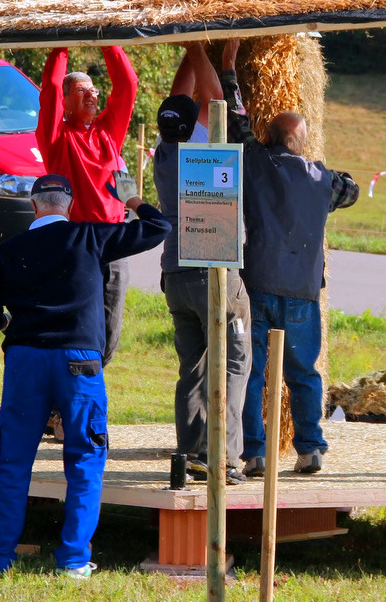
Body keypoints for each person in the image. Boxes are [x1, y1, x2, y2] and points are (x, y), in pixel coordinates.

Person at [0, 173, 169, 577]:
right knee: (84, 459)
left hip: (26, 359)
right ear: (70, 206)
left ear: (33, 206)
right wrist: (131, 198)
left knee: (12, 461)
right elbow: (158, 227)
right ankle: (74, 560)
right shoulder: (91, 237)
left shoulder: (9, 250)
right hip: (80, 361)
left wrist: (8, 323)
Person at [219, 40, 359, 476]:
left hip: (259, 282)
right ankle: (310, 449)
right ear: (301, 142)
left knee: (252, 371)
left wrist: (228, 66)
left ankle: (255, 453)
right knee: (303, 374)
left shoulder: (256, 162)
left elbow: (236, 117)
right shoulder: (323, 179)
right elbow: (352, 190)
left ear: (268, 137)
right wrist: (318, 172)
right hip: (302, 290)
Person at [153, 43, 251, 484]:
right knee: (234, 362)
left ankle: (190, 452)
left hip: (174, 274)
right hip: (211, 270)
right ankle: (222, 457)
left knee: (191, 368)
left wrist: (192, 51)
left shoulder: (164, 149)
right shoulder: (200, 147)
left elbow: (178, 100)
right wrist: (200, 47)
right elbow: (215, 100)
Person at [36, 45, 139, 367]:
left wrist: (108, 42)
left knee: (111, 323)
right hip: (77, 241)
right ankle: (71, 382)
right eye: (81, 91)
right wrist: (61, 45)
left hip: (113, 239)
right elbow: (50, 89)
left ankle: (94, 377)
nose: (91, 95)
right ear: (65, 101)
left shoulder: (108, 133)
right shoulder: (56, 138)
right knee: (77, 320)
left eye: (94, 90)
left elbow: (127, 85)